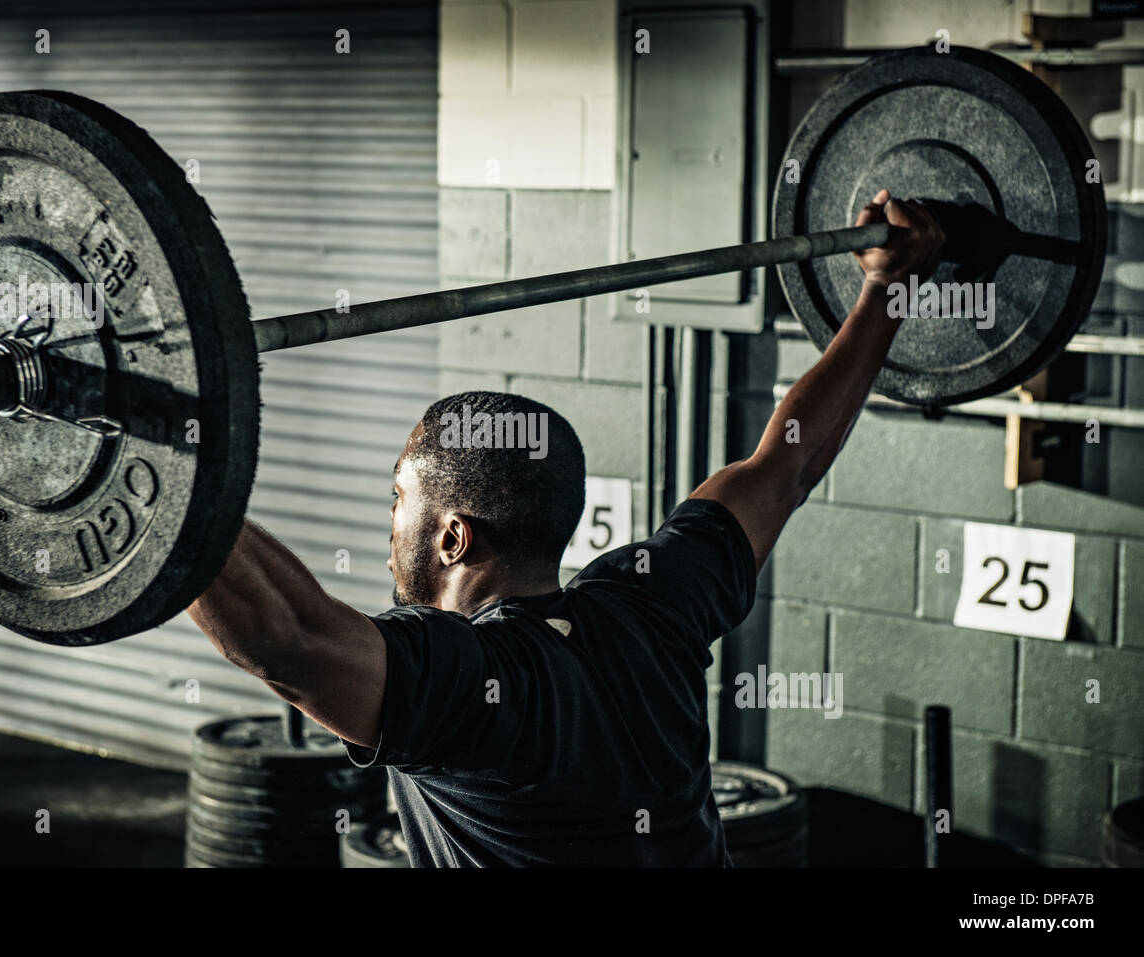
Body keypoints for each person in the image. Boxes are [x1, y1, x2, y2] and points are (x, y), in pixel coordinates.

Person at [187, 190, 944, 866]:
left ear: (453, 537)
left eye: (397, 500)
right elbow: (789, 463)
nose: (388, 526)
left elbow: (287, 638)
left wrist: (169, 439)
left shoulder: (469, 683)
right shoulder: (651, 603)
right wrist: (889, 285)